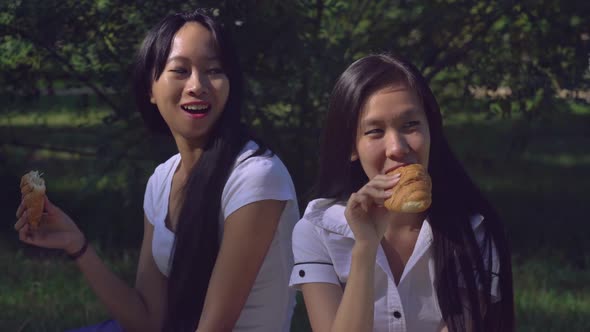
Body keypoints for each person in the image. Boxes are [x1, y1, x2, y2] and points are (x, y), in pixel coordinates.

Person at [15, 9, 299, 332]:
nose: (198, 85)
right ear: (150, 88)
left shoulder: (256, 178)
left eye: (214, 70)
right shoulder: (163, 180)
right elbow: (149, 321)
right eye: (180, 70)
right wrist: (76, 245)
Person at [289, 54, 514, 332]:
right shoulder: (316, 231)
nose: (397, 147)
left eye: (410, 125)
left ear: (432, 130)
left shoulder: (473, 231)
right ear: (351, 147)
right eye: (375, 131)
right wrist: (365, 247)